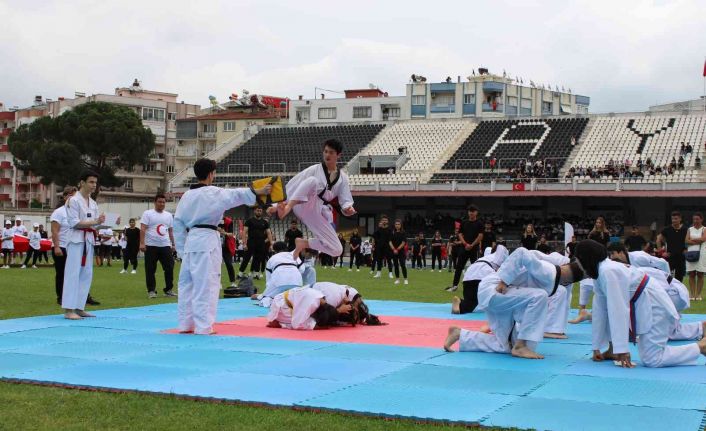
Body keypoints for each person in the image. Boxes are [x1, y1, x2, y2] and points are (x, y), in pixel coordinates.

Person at [173, 158, 271, 335]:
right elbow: (237, 195)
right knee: (207, 284)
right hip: (207, 240)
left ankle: (185, 325)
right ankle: (203, 327)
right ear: (211, 174)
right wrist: (257, 191)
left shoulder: (186, 196)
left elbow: (178, 224)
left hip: (190, 242)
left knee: (186, 285)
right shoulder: (214, 193)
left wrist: (180, 250)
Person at [574, 239, 706, 368]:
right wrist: (597, 346)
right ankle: (700, 329)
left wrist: (622, 349)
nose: (578, 263)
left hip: (654, 303)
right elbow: (600, 310)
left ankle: (700, 347)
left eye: (578, 260)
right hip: (647, 301)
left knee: (653, 358)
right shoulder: (601, 271)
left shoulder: (608, 271)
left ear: (585, 258)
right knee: (667, 334)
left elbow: (618, 310)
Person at [444, 247, 584, 359]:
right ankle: (521, 346)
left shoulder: (553, 275)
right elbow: (521, 252)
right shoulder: (548, 271)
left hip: (504, 298)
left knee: (506, 345)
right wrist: (504, 280)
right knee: (540, 296)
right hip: (494, 290)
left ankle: (460, 335)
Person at [269, 139, 356, 259]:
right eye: (325, 151)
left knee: (337, 249)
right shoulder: (314, 169)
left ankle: (303, 243)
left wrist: (347, 208)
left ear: (338, 155)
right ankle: (286, 209)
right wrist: (277, 206)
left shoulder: (343, 178)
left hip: (315, 212)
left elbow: (345, 199)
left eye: (331, 152)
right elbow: (294, 184)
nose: (327, 155)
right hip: (301, 204)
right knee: (313, 181)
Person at [608, 242, 704, 341]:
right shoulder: (632, 270)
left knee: (659, 331)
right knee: (669, 332)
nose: (611, 257)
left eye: (613, 253)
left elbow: (663, 263)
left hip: (671, 292)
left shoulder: (638, 258)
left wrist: (667, 279)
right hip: (666, 291)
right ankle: (701, 328)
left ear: (621, 252)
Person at [63, 170, 112, 320]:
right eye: (91, 182)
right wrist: (95, 222)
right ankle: (68, 310)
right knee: (73, 274)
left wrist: (107, 223)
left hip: (89, 241)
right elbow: (74, 223)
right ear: (82, 182)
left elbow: (95, 225)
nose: (94, 185)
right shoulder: (73, 200)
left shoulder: (93, 203)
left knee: (86, 274)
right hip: (76, 240)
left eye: (95, 183)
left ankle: (79, 307)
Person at [451, 245, 508, 314]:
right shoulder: (500, 257)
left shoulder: (486, 256)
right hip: (484, 274)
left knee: (470, 303)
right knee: (501, 285)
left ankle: (460, 303)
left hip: (469, 275)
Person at [140, 194, 176, 299]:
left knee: (170, 267)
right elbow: (143, 229)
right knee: (150, 269)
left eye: (164, 202)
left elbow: (170, 231)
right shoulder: (148, 214)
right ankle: (151, 291)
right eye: (159, 202)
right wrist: (142, 243)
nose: (162, 204)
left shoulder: (169, 215)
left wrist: (173, 244)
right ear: (155, 202)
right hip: (151, 245)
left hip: (165, 245)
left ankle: (168, 289)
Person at [253, 241, 305, 307]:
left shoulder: (272, 258)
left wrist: (264, 294)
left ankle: (269, 300)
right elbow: (302, 269)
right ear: (286, 248)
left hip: (279, 280)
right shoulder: (293, 255)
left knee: (267, 298)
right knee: (294, 298)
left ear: (275, 250)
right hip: (297, 281)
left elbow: (269, 280)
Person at [266, 286, 339, 330]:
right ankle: (277, 319)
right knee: (306, 323)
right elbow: (296, 324)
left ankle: (277, 319)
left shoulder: (320, 297)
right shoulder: (312, 303)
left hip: (285, 299)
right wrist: (315, 326)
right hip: (281, 306)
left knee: (307, 319)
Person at [447, 205, 484, 292]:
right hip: (464, 248)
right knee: (459, 267)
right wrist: (465, 243)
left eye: (473, 211)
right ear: (468, 212)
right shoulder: (464, 222)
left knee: (475, 268)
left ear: (476, 212)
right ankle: (455, 286)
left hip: (474, 249)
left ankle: (477, 286)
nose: (471, 213)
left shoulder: (479, 223)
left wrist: (472, 245)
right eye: (470, 211)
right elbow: (460, 234)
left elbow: (480, 236)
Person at [237, 207, 272, 280]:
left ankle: (256, 274)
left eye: (260, 211)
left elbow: (269, 233)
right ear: (254, 211)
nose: (259, 212)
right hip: (251, 241)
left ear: (262, 212)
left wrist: (271, 244)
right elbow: (244, 232)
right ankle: (240, 273)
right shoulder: (249, 221)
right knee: (246, 258)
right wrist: (244, 244)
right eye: (257, 210)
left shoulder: (265, 222)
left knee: (258, 258)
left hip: (261, 242)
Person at [658, 211, 688, 282]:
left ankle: (679, 292)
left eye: (676, 219)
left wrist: (687, 249)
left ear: (680, 219)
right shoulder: (667, 229)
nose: (674, 220)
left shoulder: (685, 229)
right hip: (670, 256)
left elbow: (689, 240)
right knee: (667, 277)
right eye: (673, 219)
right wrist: (661, 252)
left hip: (681, 256)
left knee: (679, 278)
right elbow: (658, 239)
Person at [685, 212, 706, 301]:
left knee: (700, 274)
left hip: (702, 253)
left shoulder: (705, 229)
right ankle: (692, 294)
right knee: (691, 274)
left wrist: (692, 240)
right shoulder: (690, 229)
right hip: (691, 253)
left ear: (701, 219)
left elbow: (703, 239)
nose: (695, 221)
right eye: (694, 219)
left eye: (697, 219)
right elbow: (686, 240)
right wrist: (697, 240)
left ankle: (698, 294)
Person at [218, 216, 237, 288]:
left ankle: (232, 282)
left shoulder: (229, 221)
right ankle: (218, 283)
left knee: (229, 264)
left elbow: (231, 234)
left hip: (226, 246)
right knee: (216, 265)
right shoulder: (214, 219)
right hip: (215, 245)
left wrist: (223, 232)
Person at [389, 219, 408, 285]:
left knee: (402, 265)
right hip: (394, 252)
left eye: (398, 224)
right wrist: (394, 249)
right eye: (396, 224)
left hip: (401, 252)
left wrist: (397, 249)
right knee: (396, 265)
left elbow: (403, 243)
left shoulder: (403, 232)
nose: (397, 225)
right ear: (394, 225)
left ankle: (405, 279)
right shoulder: (392, 232)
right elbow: (390, 242)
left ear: (401, 225)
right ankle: (397, 279)